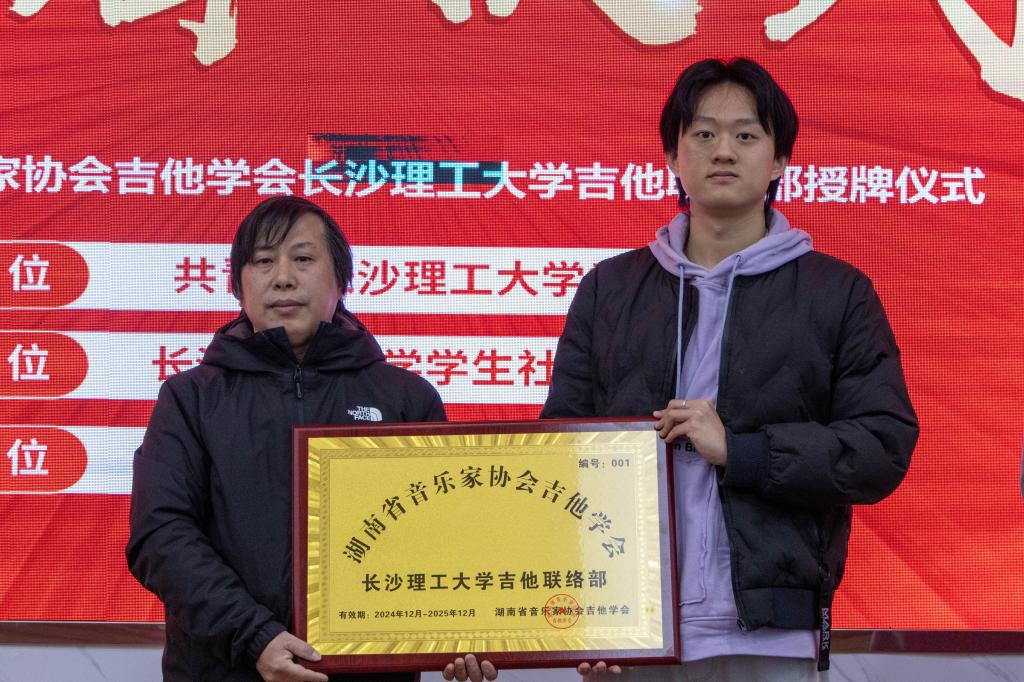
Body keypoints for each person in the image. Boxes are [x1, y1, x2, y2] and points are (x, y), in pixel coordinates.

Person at [541, 58, 918, 680]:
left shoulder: (836, 292)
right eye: (703, 133)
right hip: (635, 627)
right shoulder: (610, 289)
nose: (723, 150)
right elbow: (562, 452)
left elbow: (881, 447)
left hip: (772, 633)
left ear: (779, 161)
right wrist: (586, 613)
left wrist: (741, 451)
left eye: (746, 134)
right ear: (673, 156)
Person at [127, 197, 497, 682]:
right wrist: (255, 637)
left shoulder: (407, 398)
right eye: (263, 261)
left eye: (302, 258)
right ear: (238, 285)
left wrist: (464, 629)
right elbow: (160, 535)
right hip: (225, 668)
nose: (283, 277)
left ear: (341, 280)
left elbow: (446, 535)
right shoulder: (190, 398)